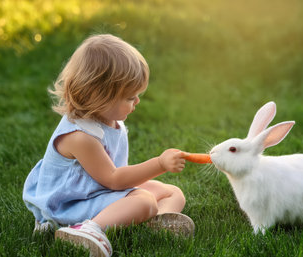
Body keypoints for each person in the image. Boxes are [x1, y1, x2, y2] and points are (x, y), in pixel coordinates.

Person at [22, 34, 194, 257]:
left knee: (172, 193)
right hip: (68, 204)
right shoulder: (80, 136)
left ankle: (156, 224)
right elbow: (114, 179)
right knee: (145, 201)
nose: (138, 102)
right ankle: (88, 230)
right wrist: (159, 163)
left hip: (93, 192)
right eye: (131, 97)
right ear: (98, 96)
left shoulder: (108, 119)